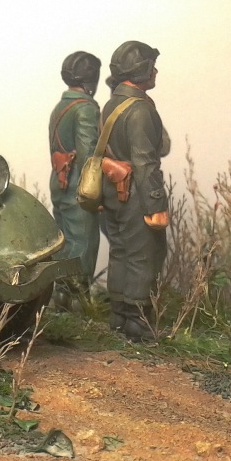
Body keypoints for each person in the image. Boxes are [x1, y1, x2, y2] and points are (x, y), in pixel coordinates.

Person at [101, 41, 168, 341]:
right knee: (144, 255)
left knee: (120, 251)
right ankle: (137, 322)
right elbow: (145, 162)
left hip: (113, 190)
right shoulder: (139, 109)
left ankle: (118, 315)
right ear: (141, 70)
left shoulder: (112, 104)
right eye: (151, 66)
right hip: (136, 194)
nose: (155, 71)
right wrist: (156, 204)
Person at [48, 51, 102, 303]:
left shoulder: (61, 106)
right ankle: (77, 302)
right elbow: (88, 155)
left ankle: (62, 298)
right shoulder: (85, 108)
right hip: (79, 186)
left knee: (64, 243)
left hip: (60, 181)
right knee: (83, 244)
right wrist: (96, 192)